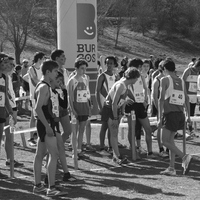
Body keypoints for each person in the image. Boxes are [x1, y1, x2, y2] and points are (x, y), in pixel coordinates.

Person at [33, 60, 68, 196]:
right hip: (46, 123)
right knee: (54, 155)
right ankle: (51, 188)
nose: (57, 74)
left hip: (45, 123)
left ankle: (38, 186)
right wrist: (47, 126)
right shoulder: (44, 87)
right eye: (55, 71)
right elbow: (37, 109)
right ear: (48, 72)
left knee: (40, 155)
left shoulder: (44, 85)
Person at [158, 59, 193, 175]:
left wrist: (159, 117)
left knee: (164, 141)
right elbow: (186, 99)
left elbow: (161, 99)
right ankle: (172, 168)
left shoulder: (164, 80)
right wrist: (188, 116)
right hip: (180, 114)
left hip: (170, 114)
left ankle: (184, 157)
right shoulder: (181, 81)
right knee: (171, 141)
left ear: (164, 69)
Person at [101, 67, 140, 165]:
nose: (137, 80)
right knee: (114, 133)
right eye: (137, 78)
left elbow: (120, 100)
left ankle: (115, 156)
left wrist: (123, 108)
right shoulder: (121, 85)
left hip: (115, 109)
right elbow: (114, 103)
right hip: (110, 109)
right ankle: (117, 157)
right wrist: (115, 117)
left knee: (115, 132)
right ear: (133, 77)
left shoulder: (125, 84)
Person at [125, 58, 155, 158]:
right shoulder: (126, 76)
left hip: (141, 105)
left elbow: (146, 88)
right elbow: (123, 89)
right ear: (136, 66)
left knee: (148, 129)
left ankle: (150, 152)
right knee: (132, 129)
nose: (142, 68)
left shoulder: (141, 76)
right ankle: (134, 151)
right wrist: (126, 99)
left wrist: (146, 100)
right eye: (141, 66)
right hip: (131, 105)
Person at [68, 58, 90, 159]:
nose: (84, 71)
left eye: (85, 68)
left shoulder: (86, 78)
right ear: (76, 69)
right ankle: (74, 151)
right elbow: (70, 97)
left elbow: (87, 94)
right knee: (74, 131)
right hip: (75, 109)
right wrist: (73, 110)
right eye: (81, 68)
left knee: (82, 130)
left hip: (84, 108)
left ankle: (79, 150)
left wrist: (89, 106)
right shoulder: (72, 80)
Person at [95, 56, 118, 155]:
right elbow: (97, 91)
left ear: (114, 65)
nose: (109, 65)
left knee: (111, 126)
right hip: (104, 104)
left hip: (112, 105)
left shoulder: (115, 76)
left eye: (111, 63)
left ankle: (110, 146)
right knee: (104, 126)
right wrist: (99, 106)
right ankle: (101, 146)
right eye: (107, 63)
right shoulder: (102, 76)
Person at [4, 56, 23, 167]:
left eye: (13, 64)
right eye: (10, 64)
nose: (12, 66)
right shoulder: (3, 77)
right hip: (6, 109)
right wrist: (10, 110)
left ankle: (10, 159)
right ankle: (9, 159)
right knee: (8, 135)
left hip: (12, 108)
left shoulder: (9, 77)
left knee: (10, 135)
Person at [0, 53, 16, 179]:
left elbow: (5, 98)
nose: (7, 65)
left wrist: (10, 112)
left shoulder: (4, 78)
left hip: (2, 112)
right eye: (4, 62)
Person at [51, 49, 71, 144]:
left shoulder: (65, 71)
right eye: (62, 57)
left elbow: (66, 87)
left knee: (68, 131)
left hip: (64, 103)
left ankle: (57, 150)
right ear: (56, 58)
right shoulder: (50, 71)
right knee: (54, 133)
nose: (65, 58)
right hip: (54, 104)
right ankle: (53, 154)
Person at [151, 60, 168, 158]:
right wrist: (160, 110)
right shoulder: (156, 81)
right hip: (159, 107)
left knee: (168, 128)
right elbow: (154, 97)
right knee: (160, 128)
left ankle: (168, 149)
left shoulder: (168, 79)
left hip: (168, 107)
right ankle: (161, 149)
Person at [28, 52, 46, 146]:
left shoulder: (42, 68)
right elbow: (35, 81)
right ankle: (32, 137)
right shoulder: (31, 69)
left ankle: (39, 136)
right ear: (39, 59)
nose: (44, 60)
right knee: (34, 117)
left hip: (42, 95)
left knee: (40, 116)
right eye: (43, 58)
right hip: (34, 96)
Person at [182, 59, 200, 135]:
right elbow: (182, 81)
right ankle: (184, 129)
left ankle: (190, 130)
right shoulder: (188, 70)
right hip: (187, 95)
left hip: (194, 95)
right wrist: (184, 93)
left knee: (192, 113)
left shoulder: (198, 73)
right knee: (187, 112)